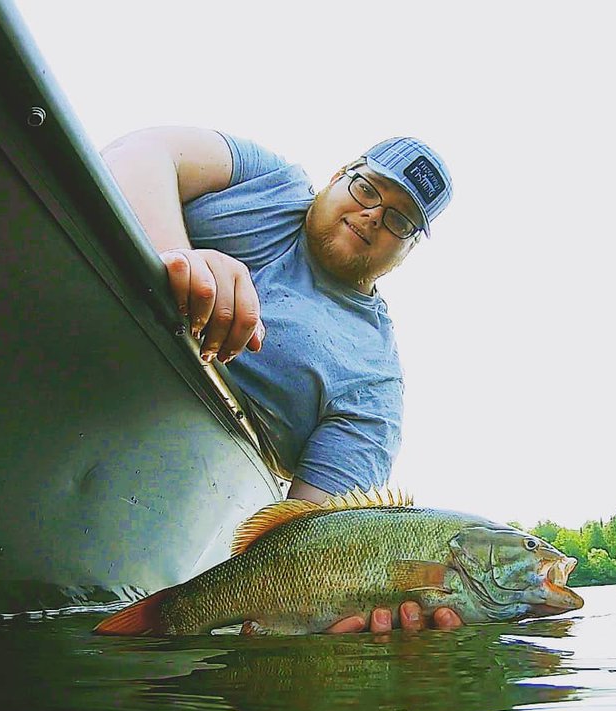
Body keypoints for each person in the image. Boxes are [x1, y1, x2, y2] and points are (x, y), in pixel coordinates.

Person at [102, 127, 462, 634]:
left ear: (407, 251)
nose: (374, 215)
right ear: (339, 175)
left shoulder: (375, 387)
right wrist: (180, 259)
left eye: (400, 221)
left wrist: (326, 627)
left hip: (164, 509)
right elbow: (136, 152)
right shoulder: (270, 180)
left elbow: (307, 543)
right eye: (369, 190)